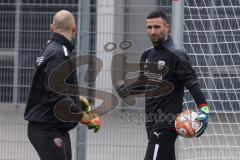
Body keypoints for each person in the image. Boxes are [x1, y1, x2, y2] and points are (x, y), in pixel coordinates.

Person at [115, 9, 209, 160]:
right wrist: (127, 90)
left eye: (157, 27)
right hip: (151, 120)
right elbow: (144, 82)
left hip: (168, 121)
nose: (153, 31)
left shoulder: (176, 54)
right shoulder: (147, 55)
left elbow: (192, 83)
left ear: (167, 28)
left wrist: (204, 111)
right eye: (149, 27)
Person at [24, 10, 100, 160]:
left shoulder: (50, 48)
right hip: (46, 128)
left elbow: (51, 86)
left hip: (54, 127)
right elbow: (57, 95)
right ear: (74, 29)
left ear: (51, 28)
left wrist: (76, 98)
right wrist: (84, 117)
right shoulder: (59, 54)